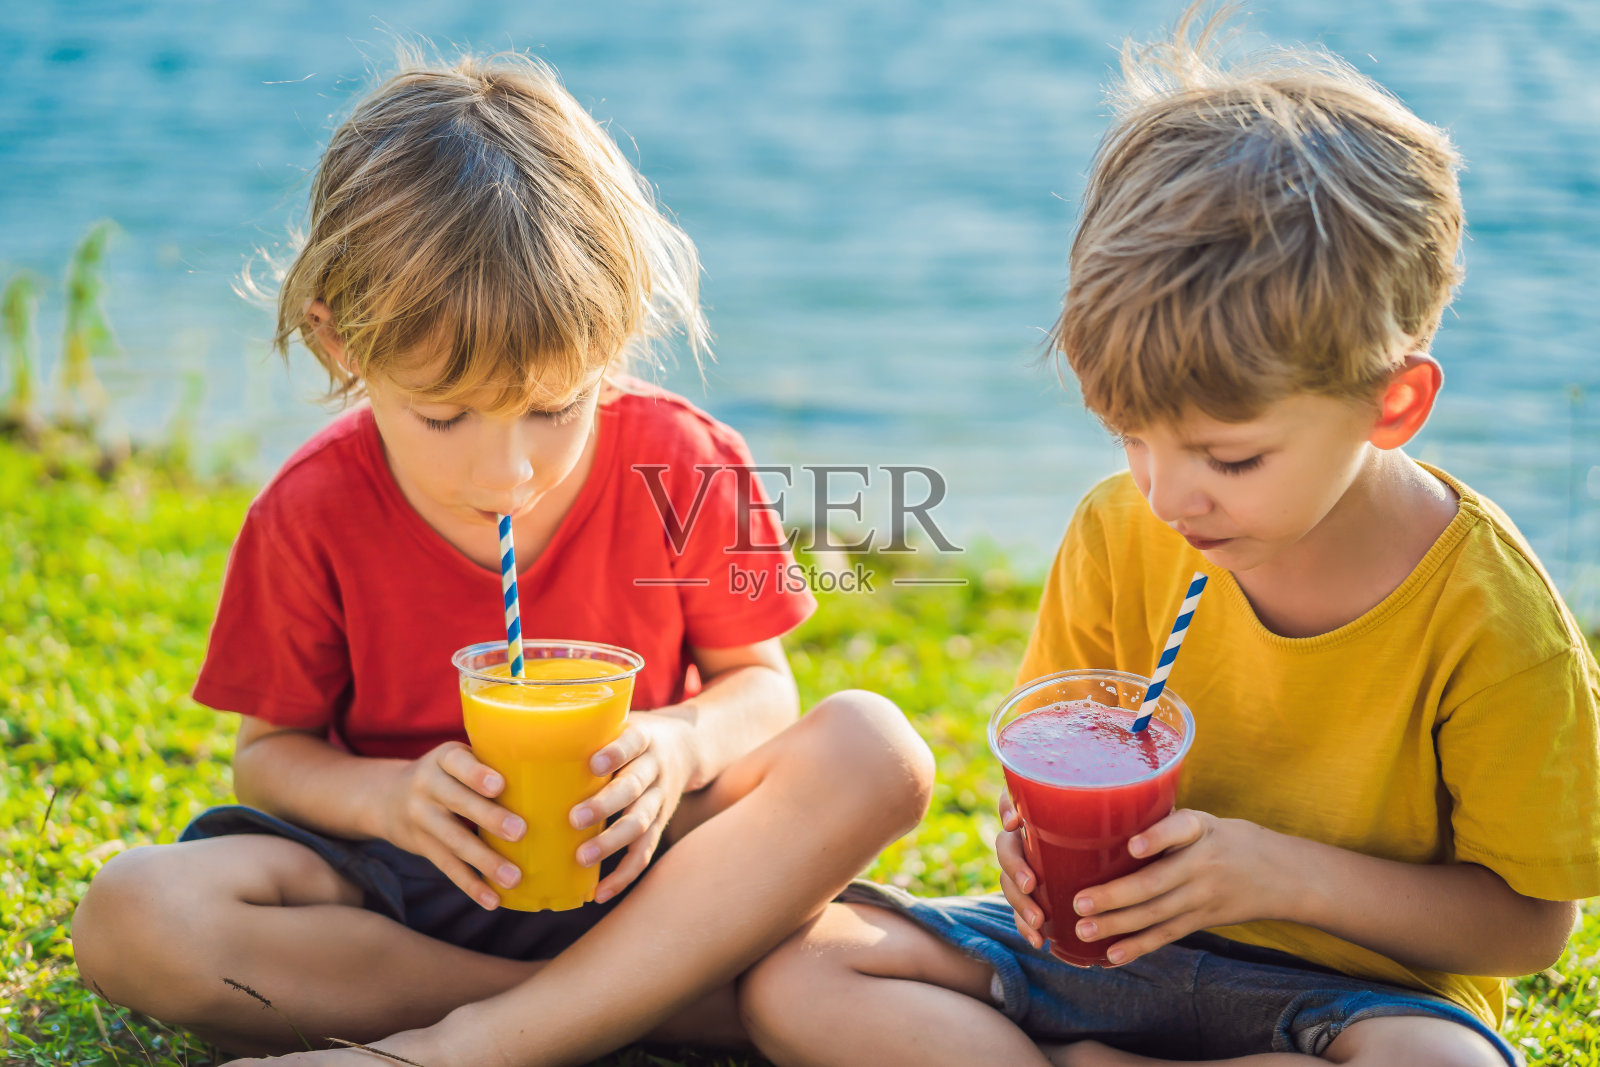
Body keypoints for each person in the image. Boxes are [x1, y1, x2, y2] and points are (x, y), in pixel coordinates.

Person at [737, 8, 1597, 1066]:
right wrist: (1024, 850)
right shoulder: (1118, 529)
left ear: (1393, 404)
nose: (1167, 495)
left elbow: (1529, 927)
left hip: (1345, 994)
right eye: (1131, 437)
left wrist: (1276, 874)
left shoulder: (1487, 613)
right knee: (801, 969)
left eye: (1229, 459)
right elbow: (1049, 763)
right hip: (1100, 956)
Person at [70, 44, 934, 1067]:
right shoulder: (309, 510)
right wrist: (387, 798)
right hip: (409, 880)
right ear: (342, 343)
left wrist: (675, 747)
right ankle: (638, 1007)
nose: (508, 469)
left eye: (556, 406)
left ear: (612, 339)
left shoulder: (683, 460)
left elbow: (761, 686)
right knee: (134, 913)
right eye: (444, 416)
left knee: (874, 746)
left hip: (644, 858)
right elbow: (268, 756)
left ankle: (473, 1042)